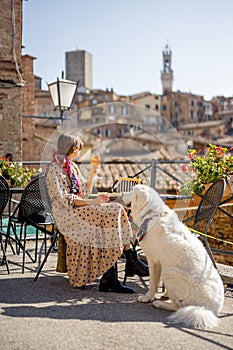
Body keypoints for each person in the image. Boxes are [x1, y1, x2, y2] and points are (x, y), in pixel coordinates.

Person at [45, 133, 148, 293]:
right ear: (71, 149)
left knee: (116, 211)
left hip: (80, 209)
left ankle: (113, 274)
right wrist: (92, 202)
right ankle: (128, 261)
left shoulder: (73, 167)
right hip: (67, 214)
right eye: (78, 148)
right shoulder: (54, 170)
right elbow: (63, 199)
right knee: (115, 210)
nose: (79, 151)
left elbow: (84, 192)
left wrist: (93, 172)